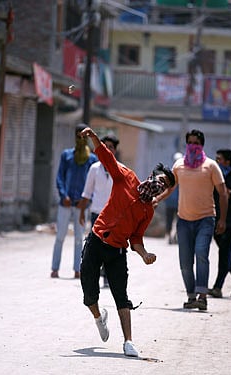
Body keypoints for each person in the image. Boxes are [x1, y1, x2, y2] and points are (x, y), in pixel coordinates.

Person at [79, 126, 174, 357]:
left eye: (165, 186)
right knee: (89, 294)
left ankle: (128, 342)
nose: (159, 184)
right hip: (96, 240)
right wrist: (93, 137)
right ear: (152, 176)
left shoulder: (147, 212)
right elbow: (108, 159)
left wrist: (145, 255)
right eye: (159, 179)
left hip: (117, 252)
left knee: (121, 295)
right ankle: (99, 317)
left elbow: (136, 238)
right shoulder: (127, 178)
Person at [155, 129, 228, 311]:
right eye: (190, 142)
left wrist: (222, 220)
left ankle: (202, 296)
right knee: (185, 262)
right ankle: (191, 295)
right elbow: (171, 187)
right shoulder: (179, 165)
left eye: (196, 143)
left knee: (201, 254)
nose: (192, 146)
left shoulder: (211, 166)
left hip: (205, 219)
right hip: (184, 221)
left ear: (201, 145)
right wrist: (157, 199)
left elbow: (223, 193)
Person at [51, 124, 97, 279]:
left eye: (84, 136)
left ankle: (78, 269)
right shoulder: (67, 155)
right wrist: (63, 196)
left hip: (82, 205)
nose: (81, 139)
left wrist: (85, 201)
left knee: (79, 238)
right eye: (78, 135)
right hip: (66, 203)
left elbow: (92, 184)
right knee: (60, 236)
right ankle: (55, 268)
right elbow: (60, 178)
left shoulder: (92, 159)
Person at [78, 133, 120, 288]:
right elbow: (87, 193)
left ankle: (108, 277)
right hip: (97, 214)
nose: (108, 149)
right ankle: (92, 276)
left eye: (111, 147)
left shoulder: (119, 170)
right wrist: (82, 212)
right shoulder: (94, 169)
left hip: (114, 216)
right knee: (95, 246)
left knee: (111, 247)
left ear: (115, 151)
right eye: (105, 146)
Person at [208, 149, 231, 298]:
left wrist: (228, 193)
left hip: (230, 221)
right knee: (226, 253)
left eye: (219, 159)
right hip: (215, 218)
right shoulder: (216, 174)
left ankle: (218, 287)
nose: (217, 161)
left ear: (227, 161)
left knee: (224, 253)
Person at [164, 152, 183, 245]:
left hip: (179, 203)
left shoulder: (183, 174)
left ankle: (174, 236)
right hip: (170, 203)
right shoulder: (170, 174)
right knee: (170, 221)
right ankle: (169, 236)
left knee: (178, 222)